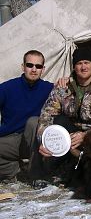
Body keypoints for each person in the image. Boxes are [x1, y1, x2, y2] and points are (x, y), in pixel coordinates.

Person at [34, 46, 91, 184]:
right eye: (79, 63)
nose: (83, 67)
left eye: (87, 62)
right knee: (43, 123)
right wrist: (44, 140)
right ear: (74, 67)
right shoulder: (63, 88)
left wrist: (86, 135)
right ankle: (41, 174)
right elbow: (47, 115)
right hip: (70, 134)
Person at [0, 50, 53, 183]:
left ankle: (36, 175)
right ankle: (17, 172)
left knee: (34, 121)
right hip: (12, 139)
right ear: (23, 67)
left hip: (35, 140)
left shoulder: (50, 88)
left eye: (38, 66)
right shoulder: (7, 88)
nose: (34, 69)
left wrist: (65, 80)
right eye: (30, 65)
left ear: (43, 69)